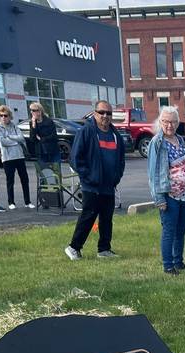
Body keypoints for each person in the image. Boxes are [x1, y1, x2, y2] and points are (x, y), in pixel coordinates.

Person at [147, 106, 185, 274]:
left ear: (178, 122)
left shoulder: (181, 141)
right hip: (169, 196)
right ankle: (168, 265)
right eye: (165, 121)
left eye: (173, 122)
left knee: (181, 230)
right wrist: (159, 199)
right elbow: (153, 174)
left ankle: (178, 261)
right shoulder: (156, 143)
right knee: (169, 231)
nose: (169, 125)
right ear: (160, 122)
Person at [65, 100, 126, 261]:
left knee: (107, 218)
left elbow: (121, 160)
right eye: (101, 112)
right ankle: (74, 247)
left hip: (108, 185)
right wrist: (88, 176)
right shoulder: (86, 131)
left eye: (108, 113)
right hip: (91, 185)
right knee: (89, 216)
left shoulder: (115, 135)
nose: (105, 116)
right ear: (95, 113)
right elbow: (75, 158)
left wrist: (116, 176)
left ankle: (104, 249)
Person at [0, 106, 34, 210]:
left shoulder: (14, 126)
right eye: (1, 115)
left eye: (5, 115)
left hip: (19, 156)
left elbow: (21, 138)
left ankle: (27, 201)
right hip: (8, 158)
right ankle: (11, 202)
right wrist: (16, 142)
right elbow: (2, 142)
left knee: (24, 179)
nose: (3, 117)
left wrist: (10, 138)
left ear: (10, 116)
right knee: (10, 180)